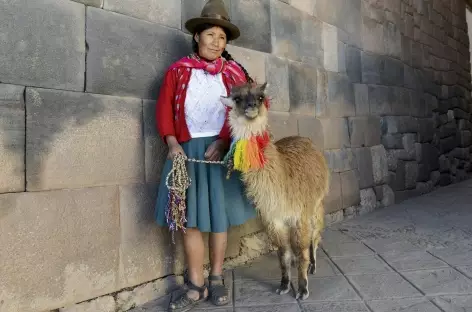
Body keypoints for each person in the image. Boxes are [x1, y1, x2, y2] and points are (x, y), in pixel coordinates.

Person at [154, 1, 256, 311]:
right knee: (191, 221)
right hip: (187, 153)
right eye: (210, 34)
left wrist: (225, 142)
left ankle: (216, 278)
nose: (216, 42)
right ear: (197, 36)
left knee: (219, 218)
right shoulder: (178, 71)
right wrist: (172, 144)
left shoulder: (235, 74)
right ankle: (195, 284)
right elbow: (163, 109)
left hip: (219, 154)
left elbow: (245, 112)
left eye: (222, 37)